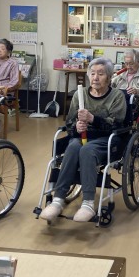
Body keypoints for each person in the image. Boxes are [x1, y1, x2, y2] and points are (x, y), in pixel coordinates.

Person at [40, 57, 127, 224]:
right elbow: (69, 122)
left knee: (87, 150)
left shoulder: (117, 96)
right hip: (82, 136)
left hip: (107, 139)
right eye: (92, 73)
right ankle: (58, 199)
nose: (95, 77)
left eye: (100, 74)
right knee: (73, 147)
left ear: (109, 77)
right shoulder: (79, 95)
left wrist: (93, 119)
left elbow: (116, 124)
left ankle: (88, 202)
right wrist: (76, 127)